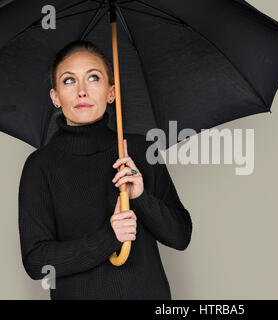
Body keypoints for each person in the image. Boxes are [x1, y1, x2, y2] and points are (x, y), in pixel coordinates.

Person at [18, 40, 192, 300]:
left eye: (93, 78)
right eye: (68, 81)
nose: (82, 92)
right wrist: (108, 237)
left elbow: (181, 236)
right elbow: (37, 262)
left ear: (112, 92)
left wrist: (141, 198)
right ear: (55, 97)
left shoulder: (139, 150)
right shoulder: (40, 166)